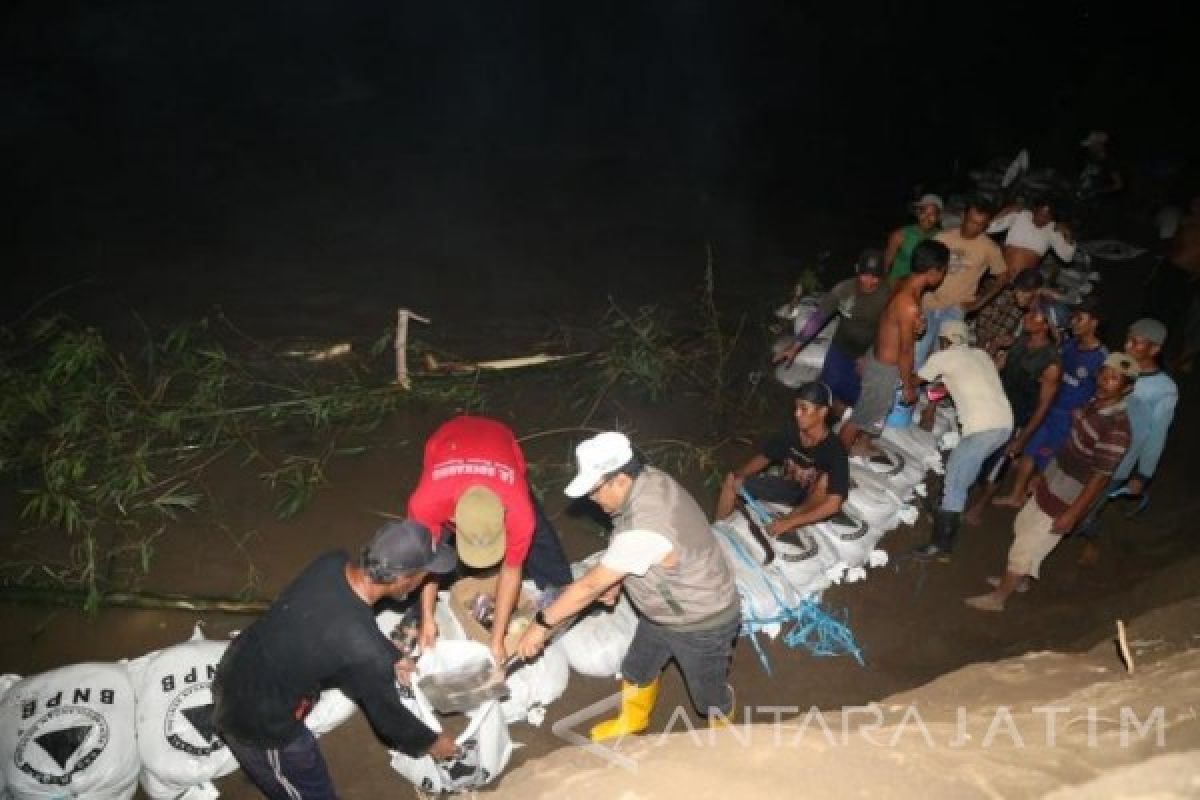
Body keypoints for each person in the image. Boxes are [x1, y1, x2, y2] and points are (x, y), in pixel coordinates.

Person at [515, 432, 739, 741]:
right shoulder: (648, 480)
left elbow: (589, 586)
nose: (592, 499)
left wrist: (541, 625)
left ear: (619, 479)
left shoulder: (647, 520)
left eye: (594, 490)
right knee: (637, 667)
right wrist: (619, 579)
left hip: (701, 620)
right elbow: (639, 550)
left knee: (708, 696)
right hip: (665, 611)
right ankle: (633, 721)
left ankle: (728, 738)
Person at [213, 520, 460, 799]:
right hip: (259, 718)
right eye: (425, 574)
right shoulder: (362, 649)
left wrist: (394, 656)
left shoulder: (333, 562)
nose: (426, 580)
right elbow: (389, 719)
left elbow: (349, 623)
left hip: (239, 660)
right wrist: (432, 743)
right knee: (308, 787)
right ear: (403, 578)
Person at [964, 353, 1137, 612]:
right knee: (1024, 525)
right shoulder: (1094, 404)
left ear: (1127, 388)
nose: (1104, 381)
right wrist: (1042, 475)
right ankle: (1019, 580)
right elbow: (1068, 446)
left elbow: (1100, 478)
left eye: (1114, 379)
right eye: (1103, 374)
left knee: (1029, 543)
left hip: (1069, 493)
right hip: (1055, 478)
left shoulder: (1117, 429)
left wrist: (1073, 514)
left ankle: (998, 598)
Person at [407, 415, 572, 665]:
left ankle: (560, 588)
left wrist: (496, 640)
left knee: (540, 535)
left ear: (503, 516)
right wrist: (427, 618)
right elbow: (427, 562)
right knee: (422, 559)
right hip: (446, 442)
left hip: (500, 443)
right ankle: (417, 617)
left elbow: (511, 571)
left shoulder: (518, 510)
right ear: (452, 517)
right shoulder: (426, 504)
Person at [1077, 319, 1178, 565]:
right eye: (1128, 338)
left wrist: (1143, 475)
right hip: (1087, 446)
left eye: (1137, 342)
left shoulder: (1164, 390)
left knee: (1087, 509)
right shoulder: (1117, 365)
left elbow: (1156, 435)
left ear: (1154, 350)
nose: (1128, 345)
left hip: (1117, 462)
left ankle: (1092, 538)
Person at [993, 297, 1108, 508]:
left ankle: (1037, 504)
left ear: (1094, 323)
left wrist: (1085, 415)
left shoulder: (1101, 359)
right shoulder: (1068, 345)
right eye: (1073, 318)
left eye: (1079, 319)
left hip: (1068, 418)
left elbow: (1104, 394)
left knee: (1046, 461)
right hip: (1048, 408)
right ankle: (1016, 495)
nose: (1073, 323)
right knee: (1030, 450)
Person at [912, 320, 1013, 559]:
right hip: (1004, 425)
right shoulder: (980, 355)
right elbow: (959, 383)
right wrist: (937, 392)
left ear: (944, 341)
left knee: (955, 482)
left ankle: (941, 546)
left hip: (982, 429)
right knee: (959, 474)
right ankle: (944, 507)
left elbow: (915, 381)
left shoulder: (942, 358)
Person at [840, 239, 949, 456]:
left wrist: (916, 325)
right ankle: (835, 464)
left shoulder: (903, 282)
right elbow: (906, 351)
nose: (944, 276)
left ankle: (861, 444)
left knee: (875, 411)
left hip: (878, 354)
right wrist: (908, 386)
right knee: (860, 418)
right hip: (884, 367)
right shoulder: (908, 302)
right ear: (933, 271)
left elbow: (891, 319)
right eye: (943, 271)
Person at [964, 302, 1064, 525]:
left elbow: (1043, 406)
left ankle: (979, 507)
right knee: (978, 454)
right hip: (995, 408)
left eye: (1034, 315)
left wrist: (1023, 438)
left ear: (1046, 325)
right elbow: (1004, 367)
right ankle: (963, 492)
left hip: (1015, 419)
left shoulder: (1051, 363)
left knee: (998, 465)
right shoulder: (1021, 341)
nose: (1027, 316)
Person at [715, 381, 849, 535]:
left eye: (804, 408)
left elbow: (833, 504)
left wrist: (789, 522)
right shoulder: (790, 431)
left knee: (823, 484)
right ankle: (717, 531)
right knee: (731, 482)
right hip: (789, 488)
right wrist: (738, 476)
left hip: (811, 498)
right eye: (796, 407)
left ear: (822, 412)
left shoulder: (835, 450)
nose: (797, 413)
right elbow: (764, 457)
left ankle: (792, 520)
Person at [775, 249, 891, 412]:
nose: (869, 281)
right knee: (827, 390)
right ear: (857, 269)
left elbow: (889, 332)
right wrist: (796, 346)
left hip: (869, 351)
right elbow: (818, 317)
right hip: (840, 347)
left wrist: (869, 356)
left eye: (875, 277)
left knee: (859, 397)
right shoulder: (844, 289)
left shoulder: (888, 296)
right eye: (865, 275)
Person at [916, 197, 1011, 367]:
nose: (974, 227)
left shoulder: (990, 248)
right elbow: (923, 269)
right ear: (963, 216)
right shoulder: (943, 237)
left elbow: (1003, 277)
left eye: (980, 224)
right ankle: (906, 391)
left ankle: (931, 393)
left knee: (944, 360)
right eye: (971, 221)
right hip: (930, 303)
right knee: (918, 351)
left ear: (986, 225)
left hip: (956, 308)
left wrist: (978, 303)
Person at [987, 197, 1077, 274]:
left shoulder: (1053, 229)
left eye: (1046, 217)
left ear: (1052, 218)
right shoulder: (1020, 215)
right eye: (1039, 214)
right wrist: (1006, 210)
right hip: (999, 273)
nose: (1041, 219)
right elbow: (989, 229)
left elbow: (1067, 257)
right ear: (1034, 210)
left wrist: (1068, 233)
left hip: (1023, 282)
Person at [971, 267, 1046, 358]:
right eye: (1017, 289)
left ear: (1036, 292)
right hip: (977, 341)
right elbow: (983, 325)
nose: (1018, 295)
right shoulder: (1001, 294)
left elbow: (1029, 342)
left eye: (1024, 292)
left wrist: (1010, 341)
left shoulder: (1040, 314)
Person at [884, 194, 943, 279]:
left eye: (932, 214)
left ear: (938, 217)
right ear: (918, 213)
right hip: (897, 286)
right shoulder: (899, 235)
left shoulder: (941, 237)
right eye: (923, 212)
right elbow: (886, 264)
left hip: (923, 289)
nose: (927, 217)